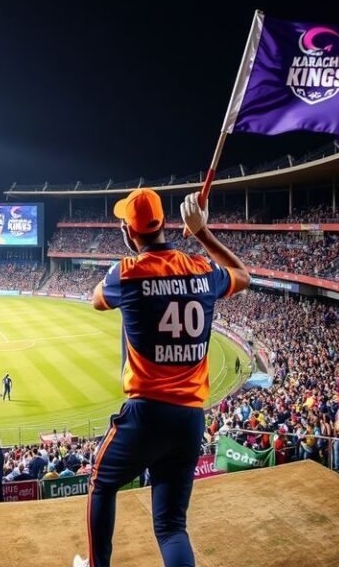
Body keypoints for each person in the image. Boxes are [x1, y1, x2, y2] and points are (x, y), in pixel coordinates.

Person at [73, 189, 250, 567]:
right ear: (164, 223)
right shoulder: (202, 269)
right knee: (171, 527)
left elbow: (95, 299)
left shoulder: (127, 272)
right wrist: (202, 233)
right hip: (189, 418)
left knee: (101, 484)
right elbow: (242, 276)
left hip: (146, 415)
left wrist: (133, 260)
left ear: (129, 231)